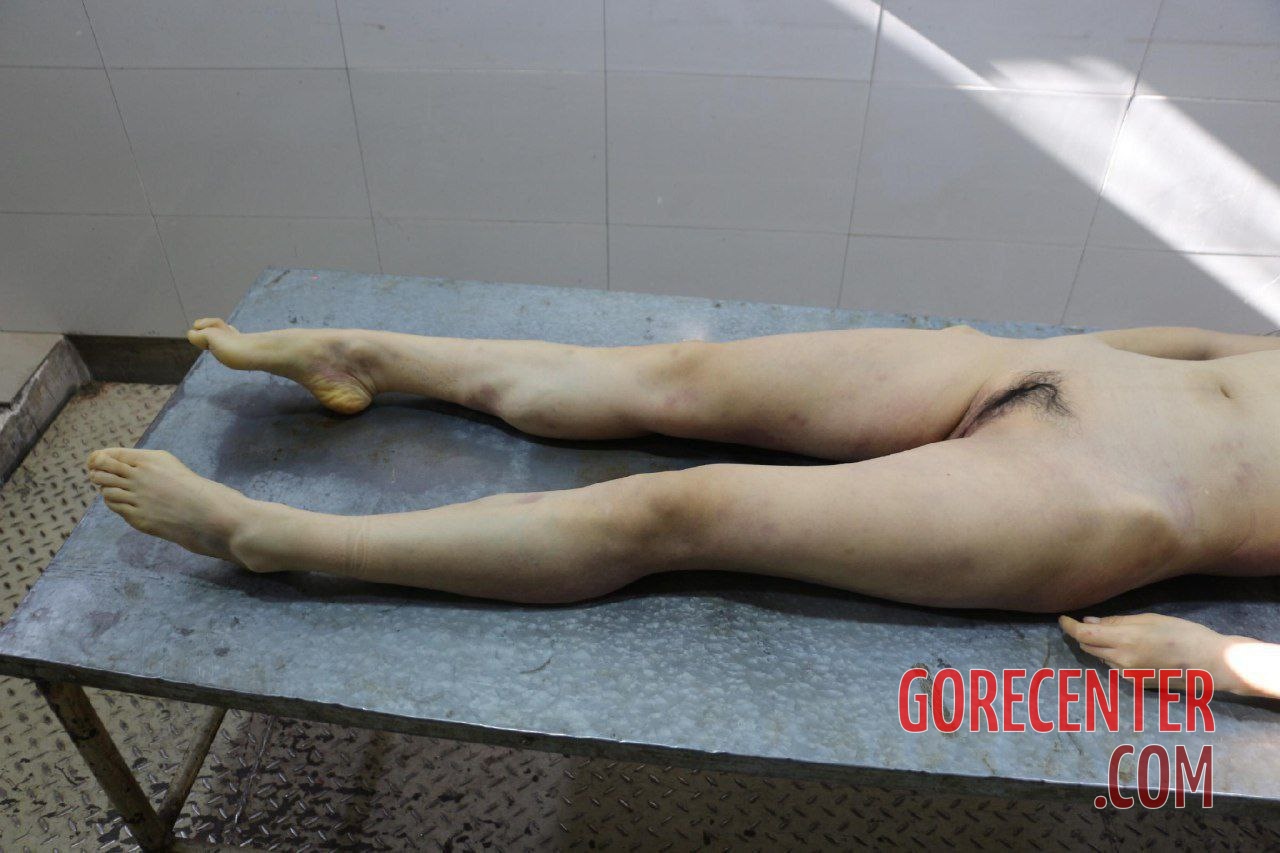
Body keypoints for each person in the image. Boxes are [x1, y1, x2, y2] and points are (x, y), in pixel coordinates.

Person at [86, 318, 1279, 698]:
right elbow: (1207, 348)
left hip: (1101, 499)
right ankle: (362, 356)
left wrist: (1218, 659)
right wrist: (1078, 350)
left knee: (678, 510)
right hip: (1053, 371)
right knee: (672, 376)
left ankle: (270, 535)